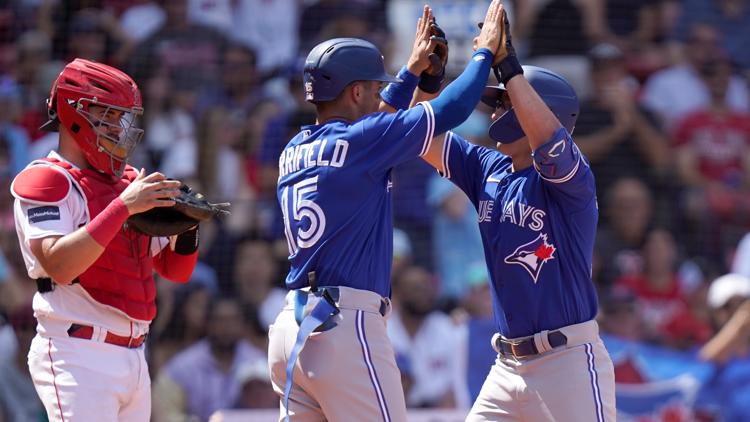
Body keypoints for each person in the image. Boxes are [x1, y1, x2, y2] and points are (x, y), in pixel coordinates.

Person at [267, 2, 508, 421]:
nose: (382, 95)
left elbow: (373, 126)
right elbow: (451, 109)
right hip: (344, 327)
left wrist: (412, 72)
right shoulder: (361, 144)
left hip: (293, 325)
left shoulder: (296, 147)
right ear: (356, 92)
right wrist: (484, 54)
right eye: (374, 89)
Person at [418, 12, 616, 420]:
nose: (493, 111)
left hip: (567, 364)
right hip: (506, 366)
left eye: (503, 102)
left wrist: (510, 70)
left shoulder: (571, 181)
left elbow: (551, 142)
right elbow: (423, 137)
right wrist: (428, 82)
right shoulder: (489, 168)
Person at [10, 58, 200, 421]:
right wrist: (123, 207)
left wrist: (188, 228)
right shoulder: (48, 179)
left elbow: (174, 272)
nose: (118, 128)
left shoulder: (128, 182)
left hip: (134, 355)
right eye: (107, 116)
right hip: (77, 353)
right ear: (74, 113)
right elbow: (59, 264)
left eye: (121, 118)